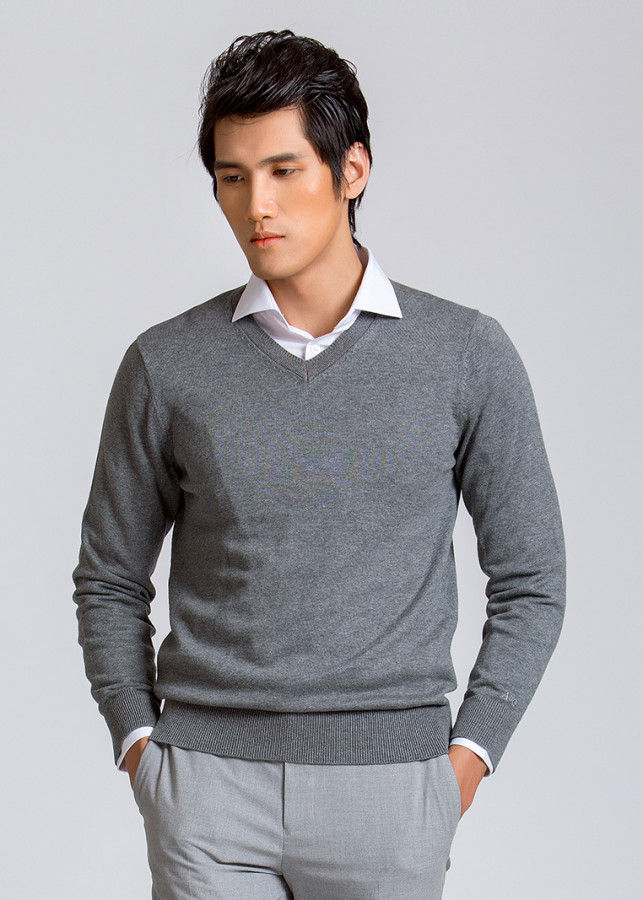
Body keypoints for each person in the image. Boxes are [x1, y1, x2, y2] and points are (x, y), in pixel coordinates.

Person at [72, 29, 566, 900]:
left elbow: (531, 578)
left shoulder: (464, 354)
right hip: (205, 790)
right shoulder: (165, 364)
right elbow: (109, 575)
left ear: (352, 170)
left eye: (283, 169)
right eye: (232, 177)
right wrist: (139, 745)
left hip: (392, 790)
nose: (255, 205)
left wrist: (466, 758)